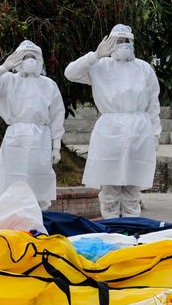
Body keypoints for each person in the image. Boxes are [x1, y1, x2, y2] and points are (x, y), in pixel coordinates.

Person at [64, 24, 161, 218]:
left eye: (126, 41)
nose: (123, 45)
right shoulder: (100, 66)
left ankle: (133, 231)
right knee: (109, 189)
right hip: (109, 131)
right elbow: (70, 73)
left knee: (132, 190)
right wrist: (95, 55)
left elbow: (153, 103)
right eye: (118, 41)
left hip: (139, 130)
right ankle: (110, 229)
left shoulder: (143, 68)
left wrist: (155, 133)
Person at [0, 40, 65, 210]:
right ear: (18, 59)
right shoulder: (8, 80)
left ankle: (39, 223)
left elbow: (57, 115)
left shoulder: (49, 85)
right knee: (13, 183)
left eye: (33, 57)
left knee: (39, 184)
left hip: (41, 139)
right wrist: (3, 67)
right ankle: (12, 224)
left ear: (40, 59)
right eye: (25, 57)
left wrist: (56, 146)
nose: (29, 60)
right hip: (15, 138)